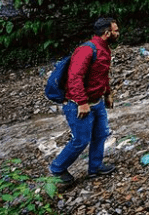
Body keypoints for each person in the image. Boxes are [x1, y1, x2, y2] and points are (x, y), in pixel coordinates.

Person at [49, 17, 119, 184]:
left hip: (96, 101)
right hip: (77, 104)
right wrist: (81, 102)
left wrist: (107, 93)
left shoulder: (105, 49)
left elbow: (101, 75)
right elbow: (74, 78)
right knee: (81, 140)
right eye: (115, 30)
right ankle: (57, 169)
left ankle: (95, 168)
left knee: (100, 134)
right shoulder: (86, 50)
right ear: (106, 33)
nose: (118, 33)